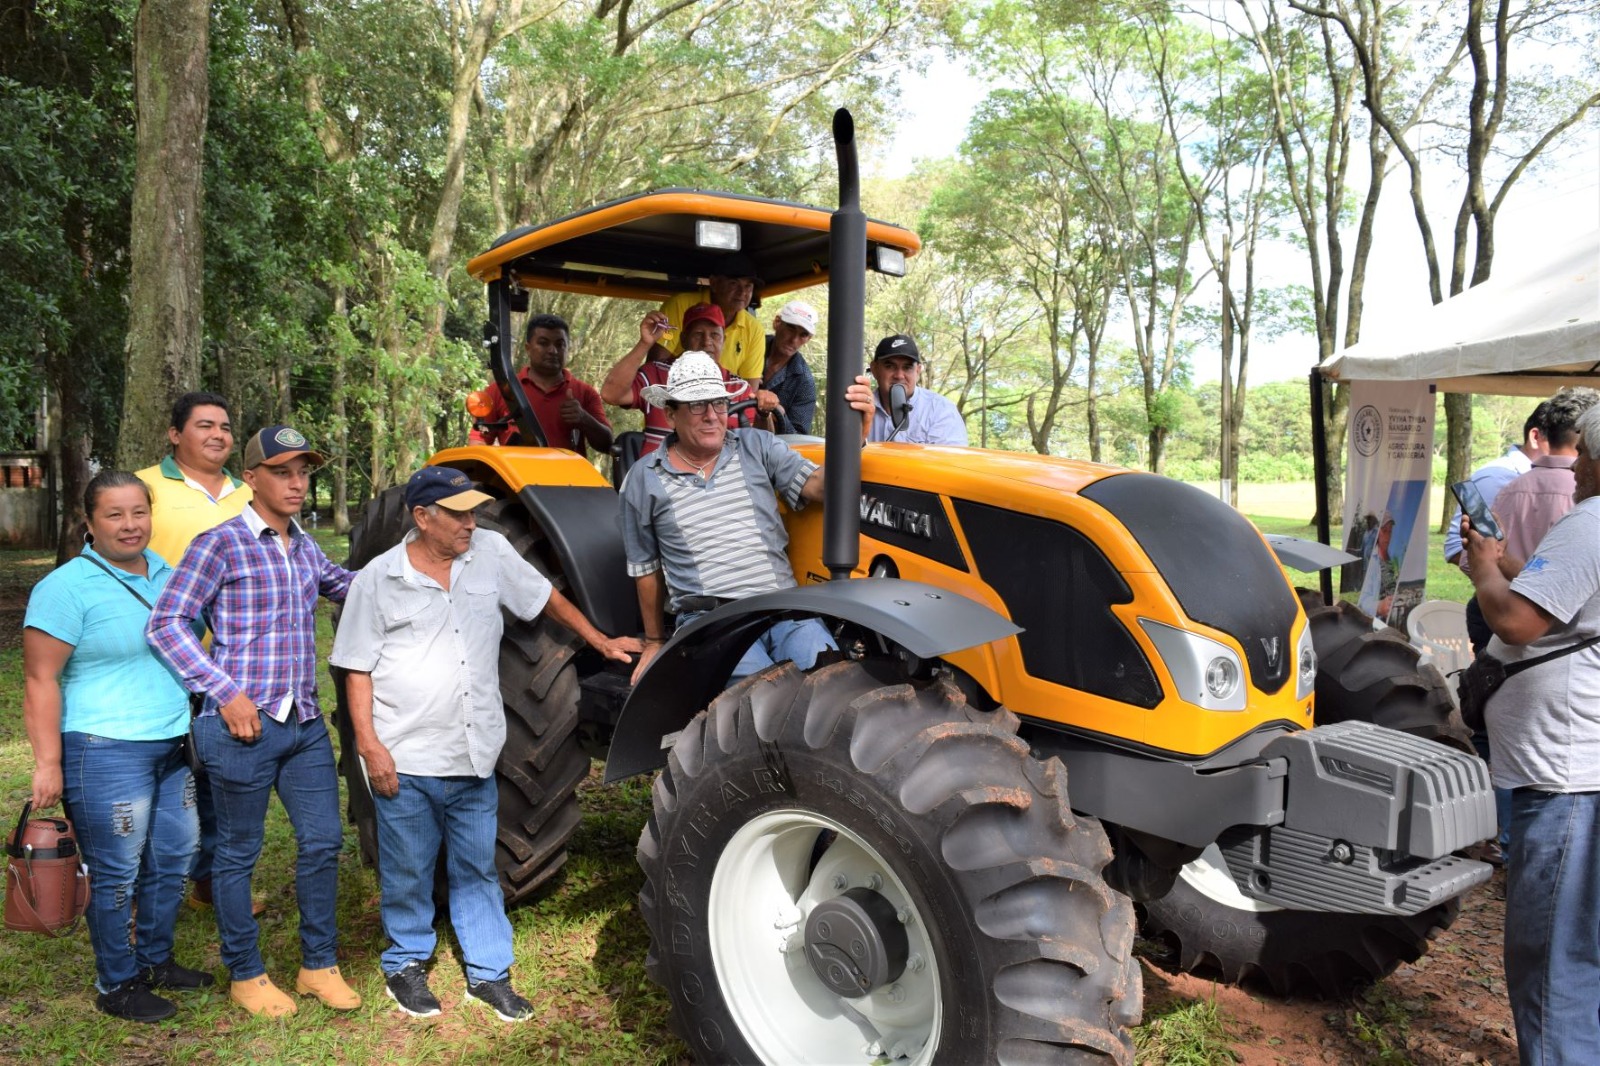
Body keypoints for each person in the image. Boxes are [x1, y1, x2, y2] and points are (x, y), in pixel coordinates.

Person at [330, 467, 638, 1021]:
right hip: (408, 756)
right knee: (408, 870)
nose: (471, 522)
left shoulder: (491, 552)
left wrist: (598, 638)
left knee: (476, 869)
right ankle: (406, 962)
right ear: (422, 518)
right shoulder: (378, 579)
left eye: (474, 511)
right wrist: (371, 748)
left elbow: (544, 596)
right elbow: (355, 668)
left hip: (475, 752)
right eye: (458, 514)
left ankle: (489, 973)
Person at [147, 425, 359, 1018]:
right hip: (243, 726)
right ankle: (246, 972)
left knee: (322, 842)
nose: (297, 483)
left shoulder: (304, 545)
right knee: (238, 853)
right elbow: (167, 623)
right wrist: (224, 693)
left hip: (305, 723)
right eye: (284, 471)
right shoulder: (220, 544)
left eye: (304, 473)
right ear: (252, 479)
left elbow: (348, 588)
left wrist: (416, 565)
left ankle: (319, 965)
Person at [22, 471, 211, 1022]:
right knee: (117, 870)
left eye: (138, 512)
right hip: (104, 750)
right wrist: (47, 764)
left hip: (173, 744)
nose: (130, 525)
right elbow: (39, 679)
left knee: (175, 856)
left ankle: (156, 960)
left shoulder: (167, 575)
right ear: (89, 523)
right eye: (114, 514)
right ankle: (117, 983)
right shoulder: (64, 588)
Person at [1462, 400, 1600, 1064]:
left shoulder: (1593, 521)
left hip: (1567, 774)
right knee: (1580, 947)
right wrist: (1502, 561)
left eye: (1583, 464)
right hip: (1585, 764)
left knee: (1551, 959)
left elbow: (1516, 624)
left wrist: (1484, 572)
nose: (1574, 476)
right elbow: (1567, 599)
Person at [619, 351, 876, 685]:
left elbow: (819, 486)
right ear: (670, 414)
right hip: (711, 620)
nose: (712, 416)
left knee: (834, 682)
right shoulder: (644, 477)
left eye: (719, 404)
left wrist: (855, 438)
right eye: (697, 405)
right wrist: (654, 641)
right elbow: (646, 568)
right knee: (762, 702)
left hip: (783, 608)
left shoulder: (757, 445)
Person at [135, 391, 260, 915]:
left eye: (226, 427)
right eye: (204, 425)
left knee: (216, 770)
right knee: (154, 769)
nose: (218, 435)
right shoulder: (145, 486)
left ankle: (210, 879)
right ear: (174, 434)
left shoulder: (246, 491)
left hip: (227, 660)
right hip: (160, 653)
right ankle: (143, 891)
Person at [600, 305, 776, 455]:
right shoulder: (656, 374)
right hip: (656, 485)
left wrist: (764, 414)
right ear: (683, 339)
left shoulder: (737, 386)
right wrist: (645, 343)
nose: (707, 342)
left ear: (724, 340)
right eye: (698, 334)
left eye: (714, 335)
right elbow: (611, 394)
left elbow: (760, 447)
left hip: (720, 487)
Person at [468, 313, 613, 456]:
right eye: (543, 343)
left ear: (567, 349)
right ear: (528, 348)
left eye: (560, 345)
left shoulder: (585, 393)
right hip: (515, 477)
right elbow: (478, 441)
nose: (553, 351)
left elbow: (607, 444)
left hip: (568, 477)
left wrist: (584, 419)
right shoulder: (500, 389)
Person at [654, 253, 765, 387]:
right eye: (734, 283)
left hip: (723, 404)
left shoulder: (754, 329)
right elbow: (656, 368)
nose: (742, 292)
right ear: (714, 283)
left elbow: (749, 389)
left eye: (748, 286)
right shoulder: (680, 305)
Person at [865, 334, 969, 445]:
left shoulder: (941, 409)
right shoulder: (858, 409)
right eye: (890, 366)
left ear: (918, 371)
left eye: (907, 367)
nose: (899, 375)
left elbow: (951, 459)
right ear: (875, 369)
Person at [760, 300, 820, 435]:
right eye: (791, 328)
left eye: (803, 335)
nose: (794, 339)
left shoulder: (804, 381)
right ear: (777, 323)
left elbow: (799, 438)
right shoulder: (750, 349)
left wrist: (779, 414)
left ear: (808, 339)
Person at [1356, 512, 1399, 620]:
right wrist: (1379, 607)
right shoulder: (1372, 562)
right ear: (1377, 532)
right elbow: (1361, 601)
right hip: (1377, 626)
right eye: (1384, 531)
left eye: (1390, 532)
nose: (1387, 536)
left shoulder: (1394, 559)